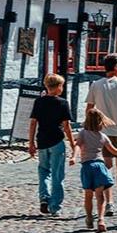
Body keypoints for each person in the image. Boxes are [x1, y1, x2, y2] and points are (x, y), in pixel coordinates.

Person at [86, 54, 117, 215]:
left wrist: (90, 130)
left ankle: (109, 202)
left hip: (102, 133)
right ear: (115, 67)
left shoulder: (96, 85)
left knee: (106, 168)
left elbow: (90, 110)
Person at [69, 108, 117, 232]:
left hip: (87, 166)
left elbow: (78, 145)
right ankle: (101, 219)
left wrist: (73, 157)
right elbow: (115, 151)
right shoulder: (103, 136)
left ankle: (89, 217)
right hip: (100, 166)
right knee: (100, 196)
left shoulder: (83, 133)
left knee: (88, 196)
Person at [29, 74, 75, 216]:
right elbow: (67, 126)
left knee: (43, 171)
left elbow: (33, 123)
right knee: (57, 174)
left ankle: (44, 198)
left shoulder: (39, 102)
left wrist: (31, 142)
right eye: (61, 85)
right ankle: (55, 207)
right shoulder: (62, 103)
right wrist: (73, 145)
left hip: (42, 141)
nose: (62, 88)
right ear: (58, 87)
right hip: (57, 141)